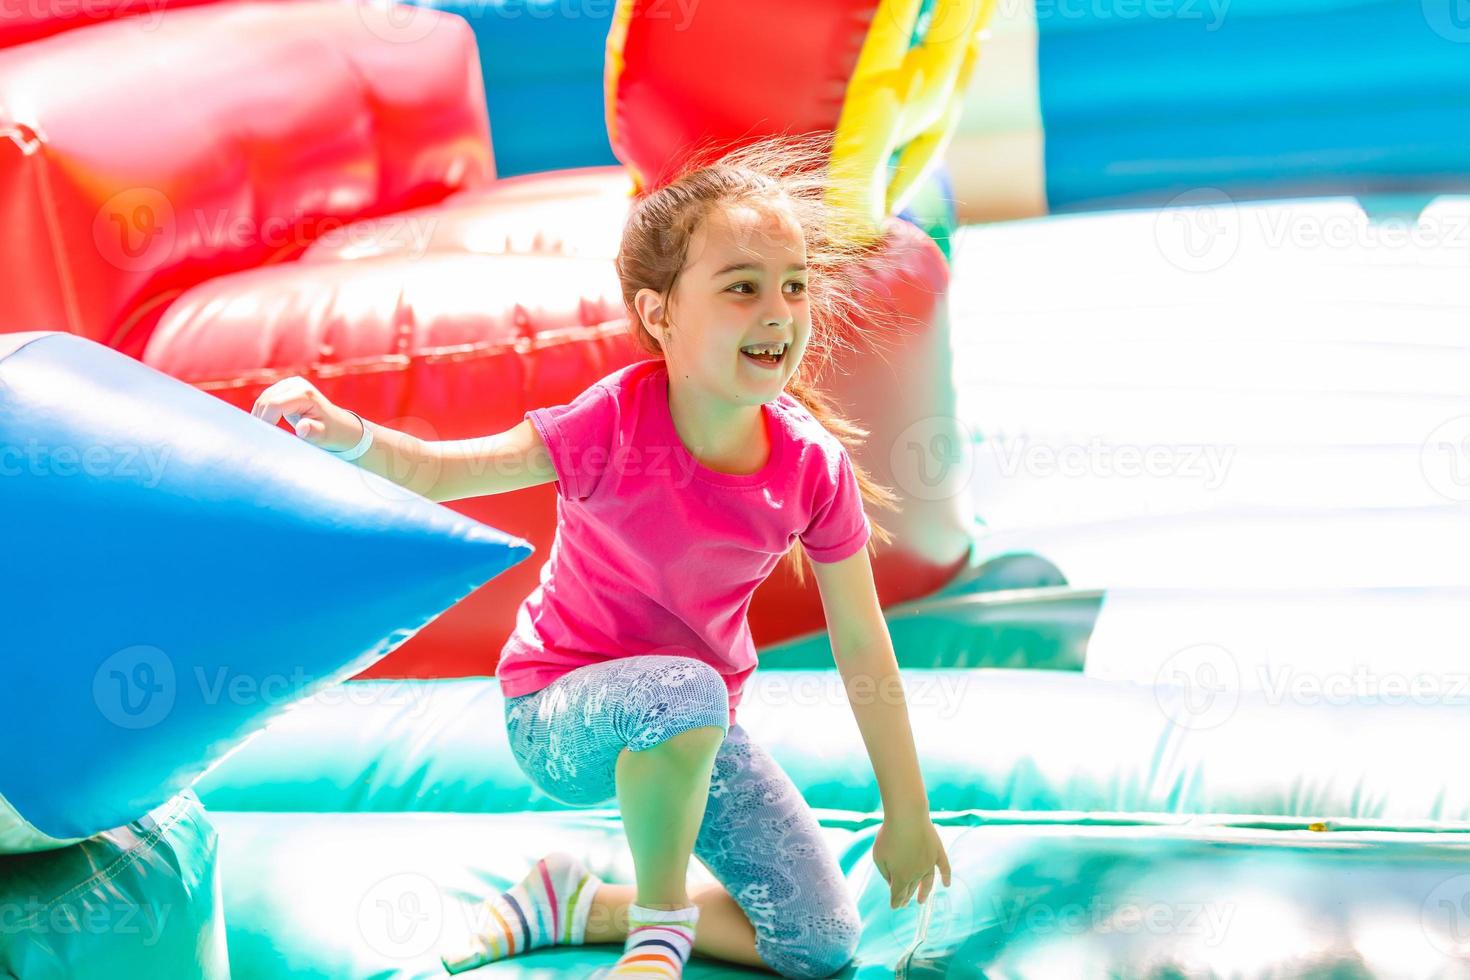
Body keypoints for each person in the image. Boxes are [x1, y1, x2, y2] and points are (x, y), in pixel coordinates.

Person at [250, 133, 951, 979]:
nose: (779, 313)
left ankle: (577, 901)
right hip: (556, 714)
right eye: (742, 288)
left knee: (818, 944)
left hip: (691, 726)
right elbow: (441, 469)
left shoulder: (809, 466)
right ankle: (659, 931)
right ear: (660, 314)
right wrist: (346, 431)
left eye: (794, 287)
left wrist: (905, 810)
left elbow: (864, 642)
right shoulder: (613, 422)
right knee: (684, 687)